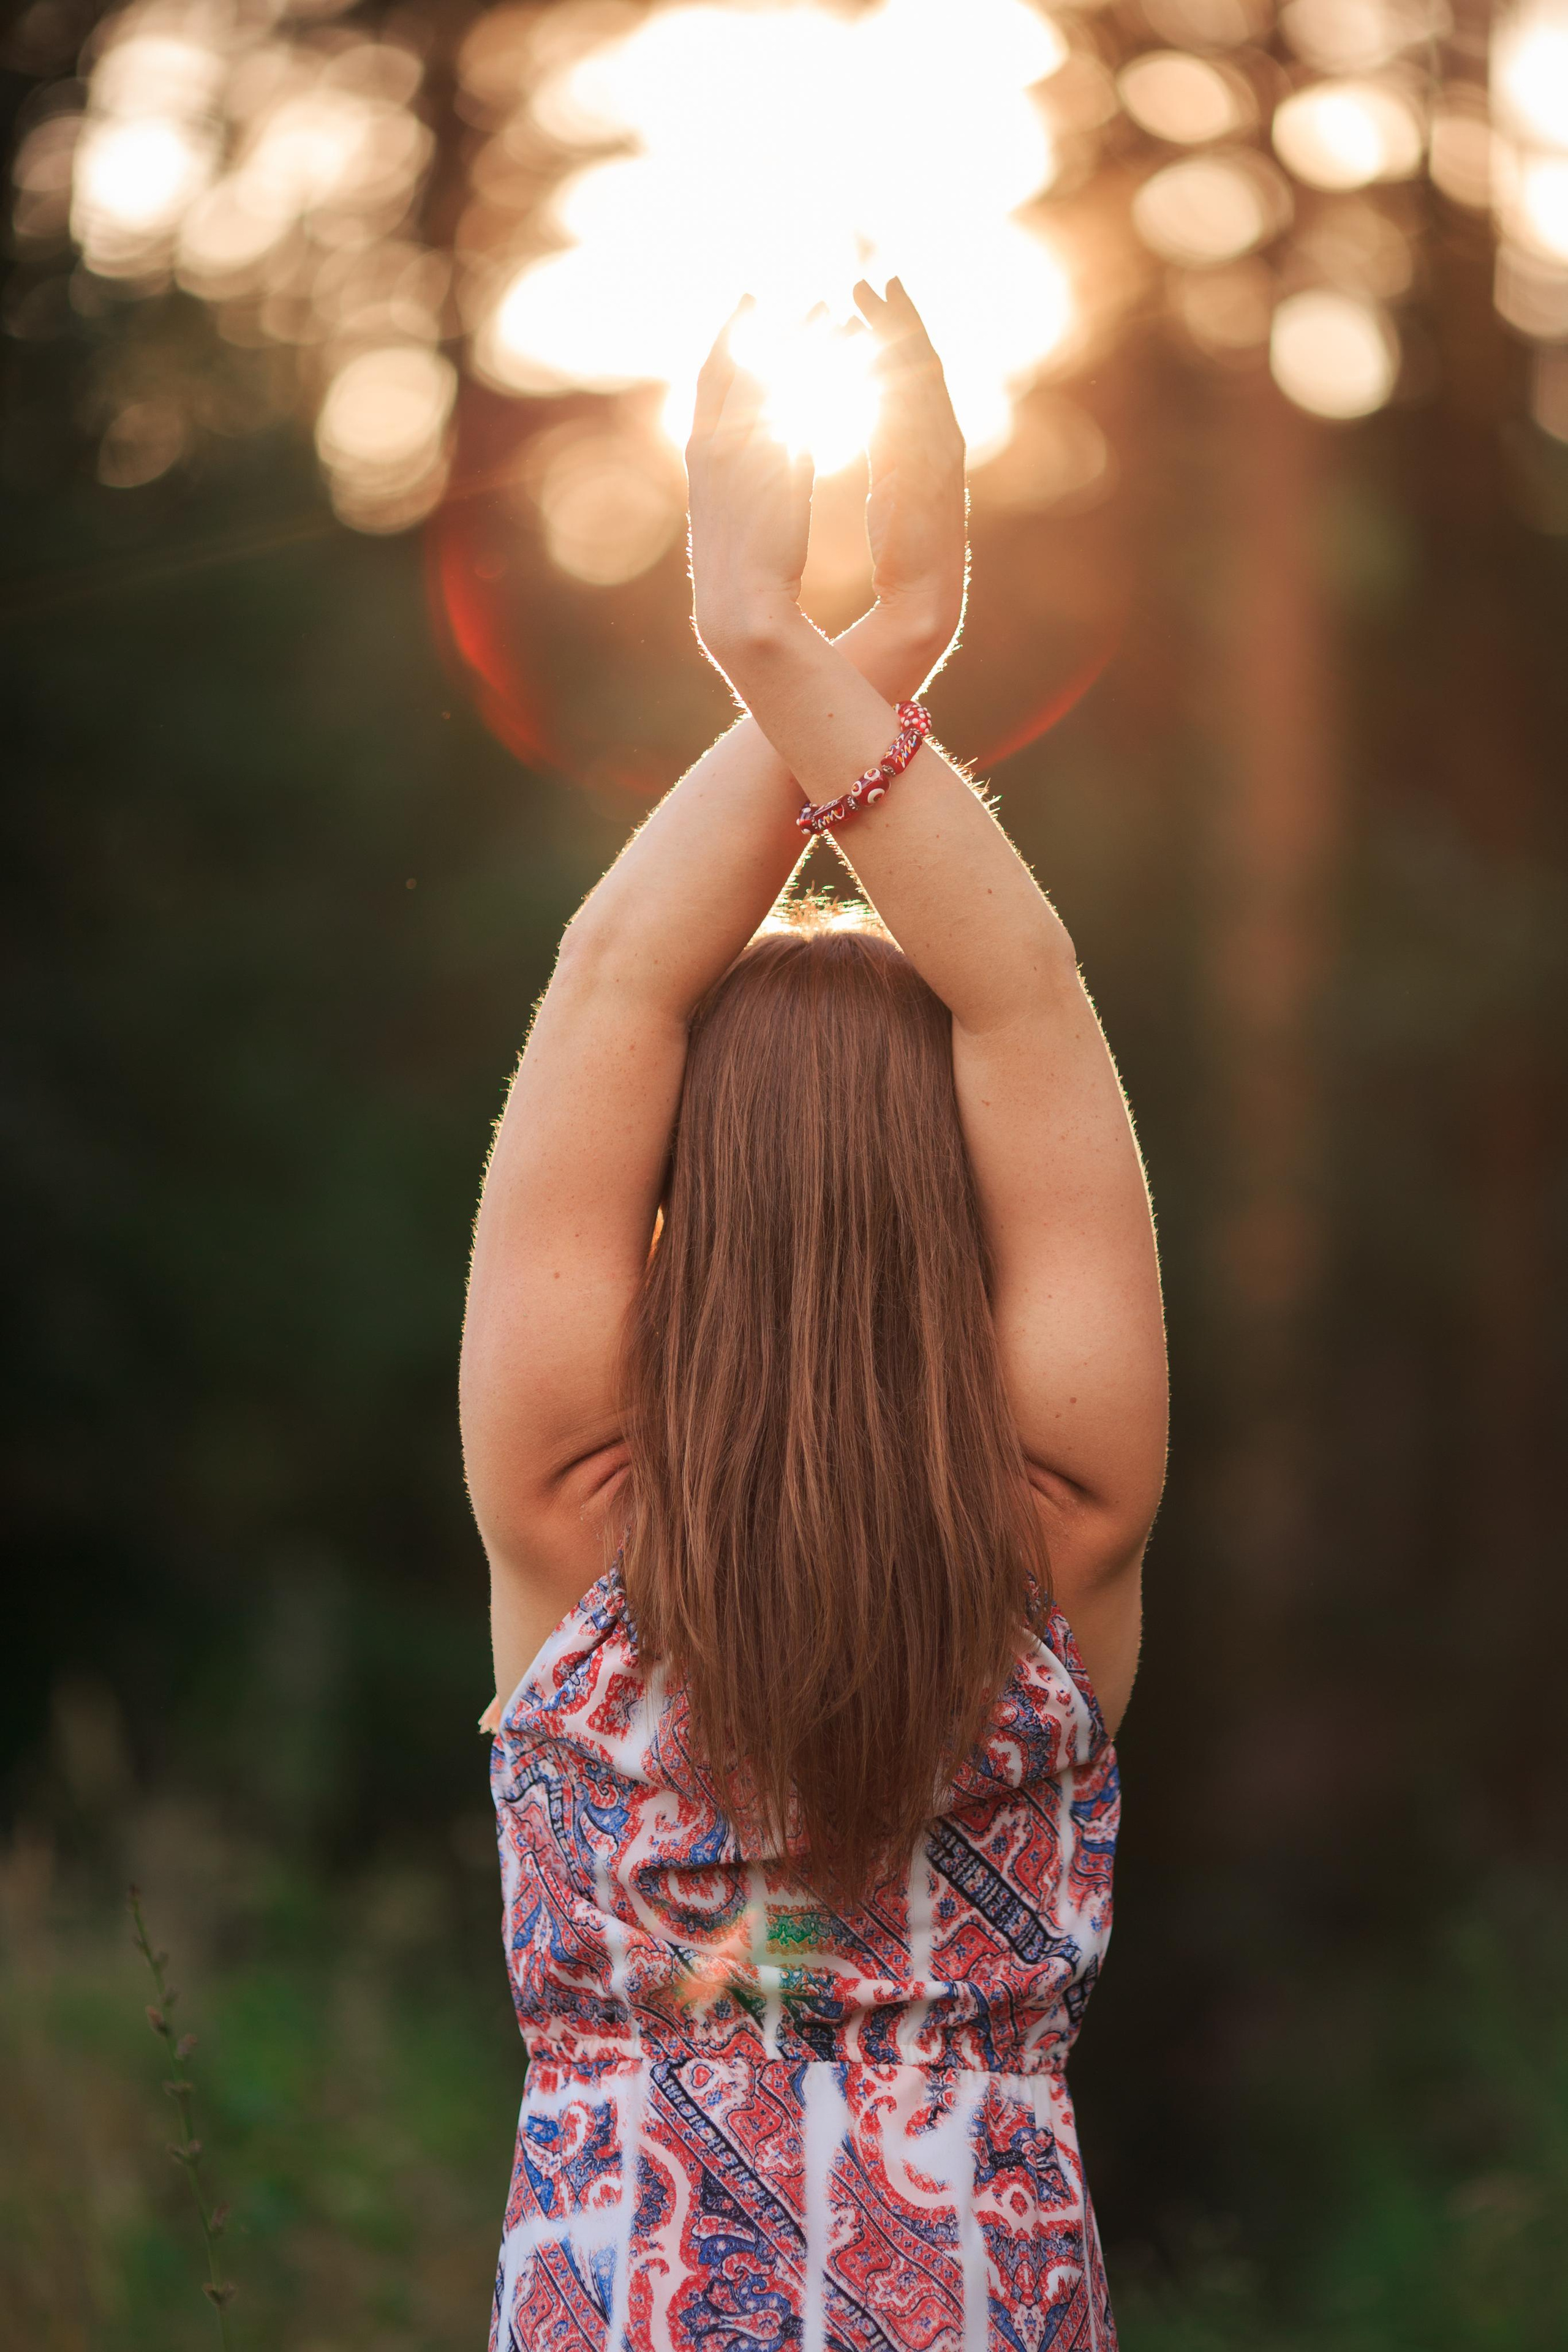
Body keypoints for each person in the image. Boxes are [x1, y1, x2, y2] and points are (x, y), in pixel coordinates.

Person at [462, 282, 1168, 2352]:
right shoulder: (1064, 1515)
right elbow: (1022, 989)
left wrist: (788, 640)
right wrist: (850, 654)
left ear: (691, 1203)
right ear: (966, 1221)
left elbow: (612, 982)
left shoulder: (572, 1515)